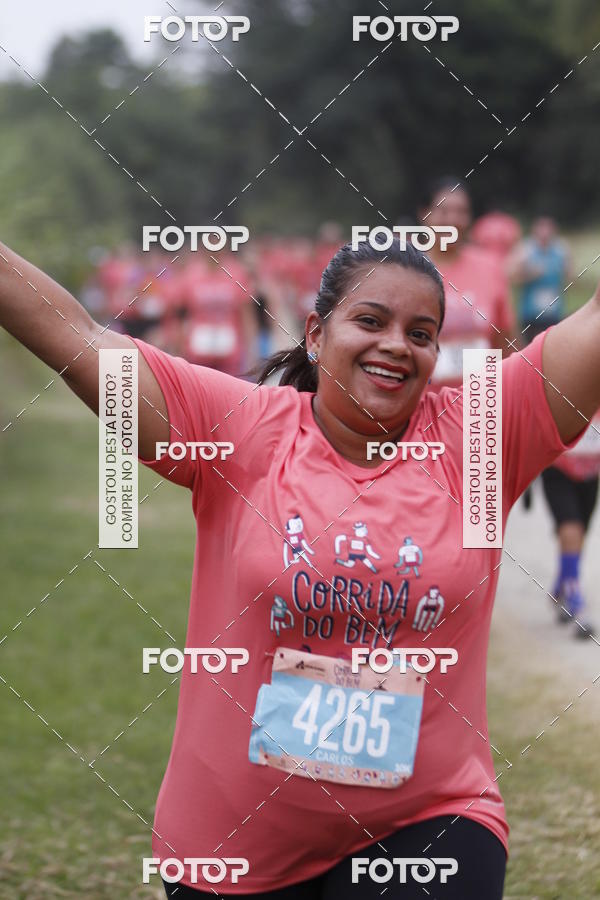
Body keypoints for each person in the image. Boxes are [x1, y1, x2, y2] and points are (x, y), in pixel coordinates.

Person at [2, 235, 599, 899]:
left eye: (421, 332)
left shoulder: (485, 434)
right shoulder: (238, 430)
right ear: (317, 333)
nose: (397, 345)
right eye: (371, 321)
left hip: (428, 819)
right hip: (231, 843)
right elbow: (78, 337)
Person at [417, 177, 517, 389]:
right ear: (424, 213)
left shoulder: (490, 267)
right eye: (443, 211)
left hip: (481, 404)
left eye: (461, 212)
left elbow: (505, 344)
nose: (452, 219)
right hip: (421, 404)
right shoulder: (406, 269)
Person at [507, 216, 572, 344]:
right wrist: (530, 274)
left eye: (548, 232)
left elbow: (570, 277)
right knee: (530, 352)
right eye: (541, 232)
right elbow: (510, 276)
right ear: (535, 232)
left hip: (554, 314)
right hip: (531, 316)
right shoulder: (525, 250)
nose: (545, 235)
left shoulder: (561, 250)